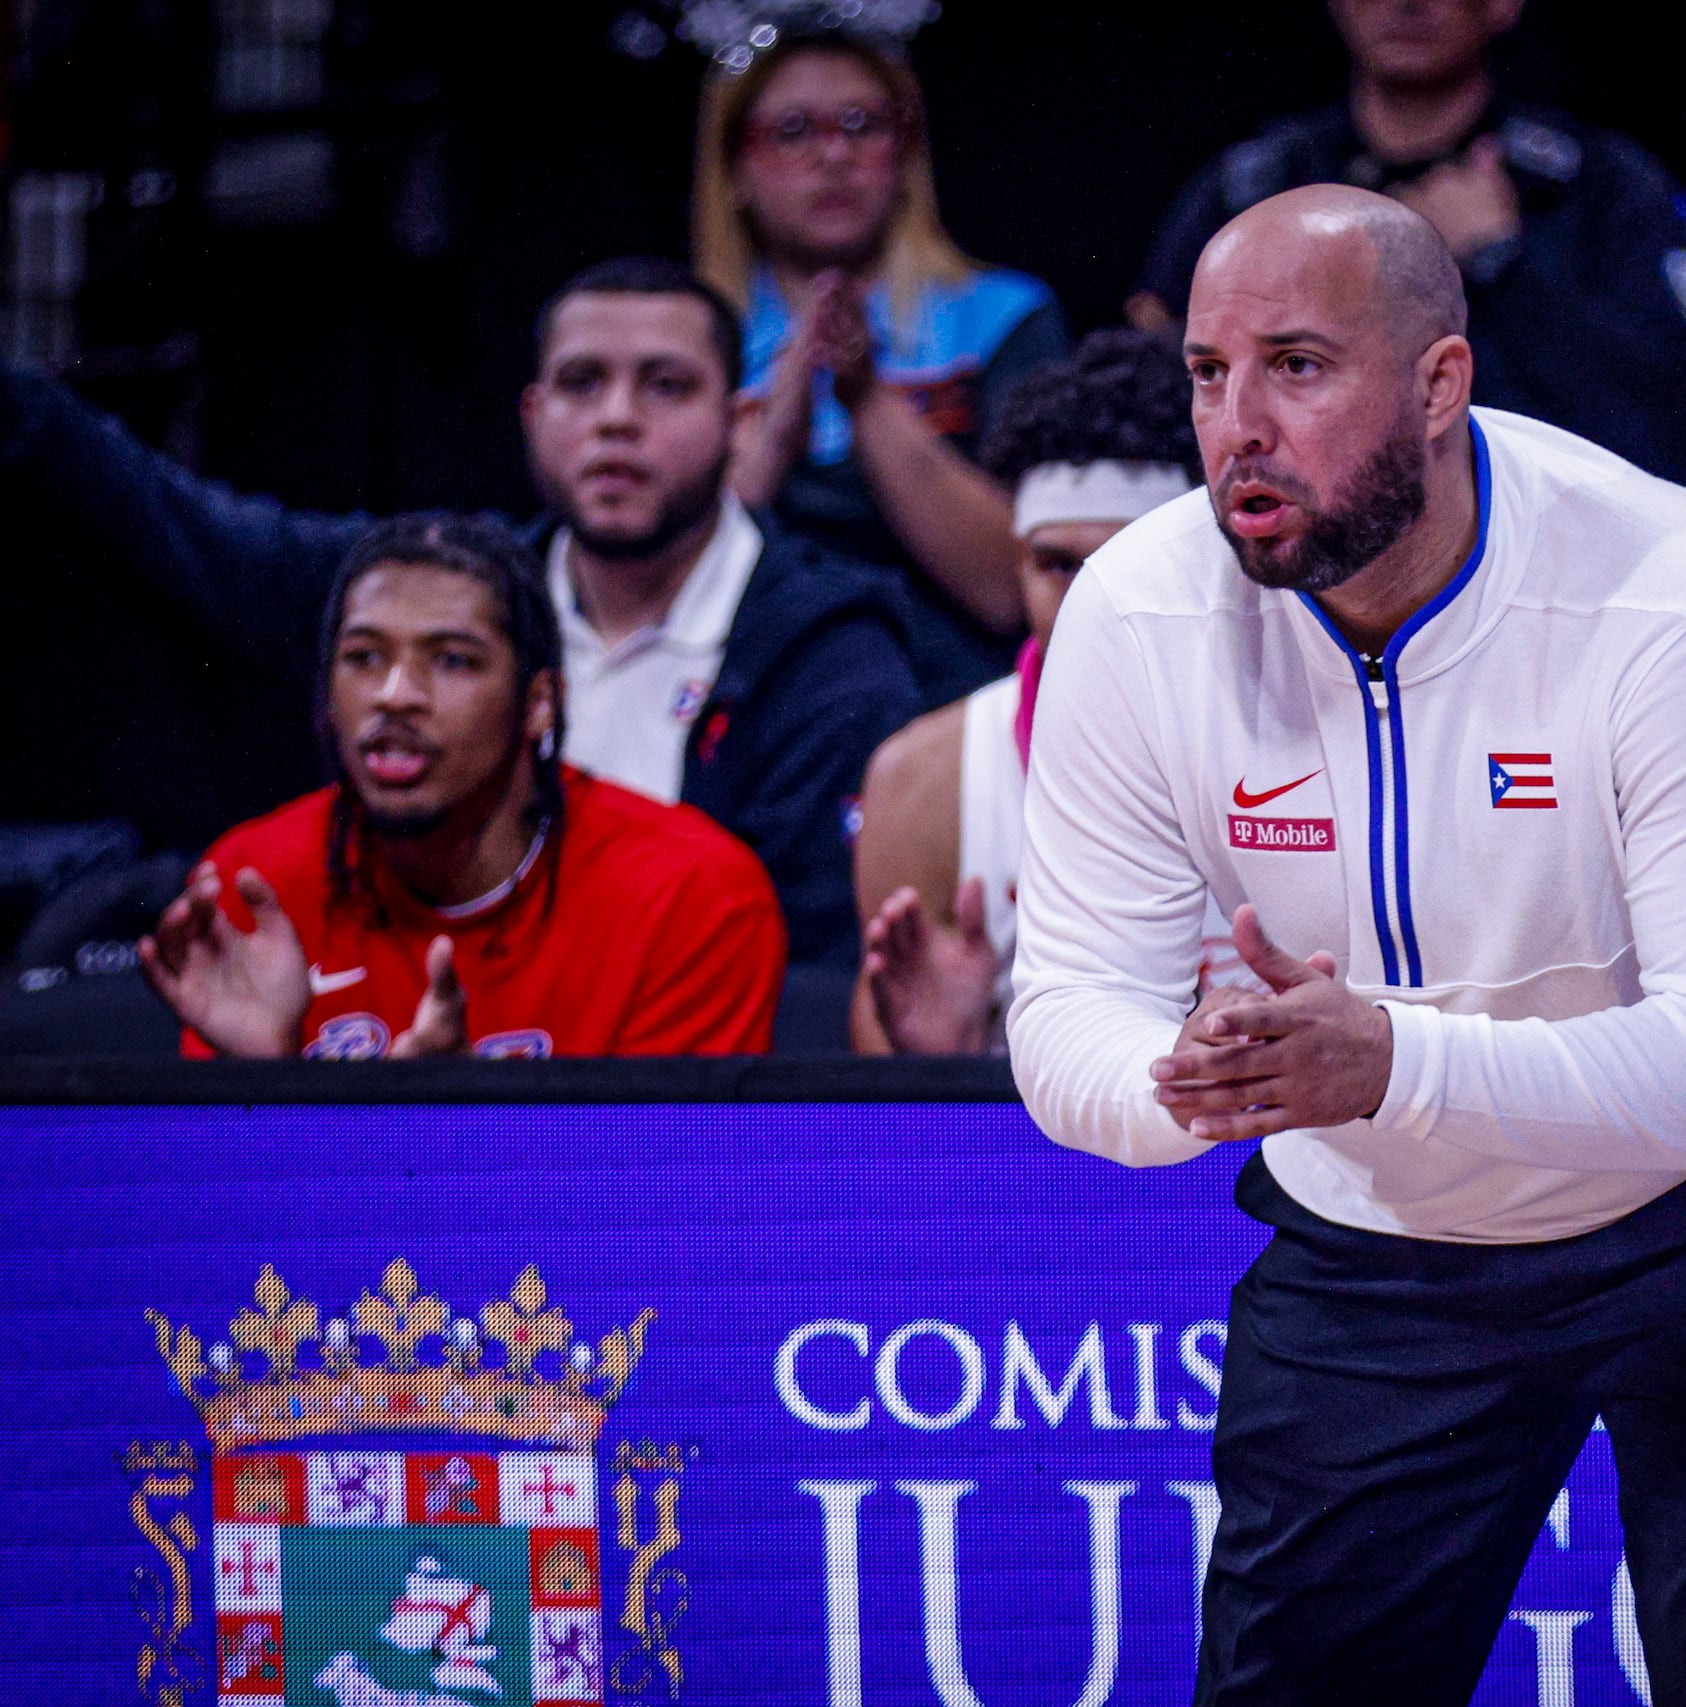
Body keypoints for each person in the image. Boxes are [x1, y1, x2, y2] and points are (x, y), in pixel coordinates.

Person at [1011, 186, 1686, 1704]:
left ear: (1441, 382)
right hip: (1394, 1215)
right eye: (1208, 375)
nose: (1238, 428)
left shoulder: (1678, 594)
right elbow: (1067, 1005)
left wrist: (1387, 1062)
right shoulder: (1137, 612)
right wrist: (1187, 1081)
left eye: (1296, 367)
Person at [0, 257, 919, 966]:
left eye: (666, 385)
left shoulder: (830, 650)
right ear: (532, 413)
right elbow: (197, 536)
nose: (617, 418)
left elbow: (811, 965)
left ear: (740, 421)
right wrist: (27, 413)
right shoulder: (446, 593)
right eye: (582, 382)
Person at [144, 515, 786, 1058]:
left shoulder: (691, 900)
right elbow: (224, 1174)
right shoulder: (256, 884)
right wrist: (265, 1081)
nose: (395, 695)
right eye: (364, 657)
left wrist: (456, 1125)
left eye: (452, 660)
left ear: (539, 704)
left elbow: (661, 1170)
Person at [1132, 0, 1686, 512]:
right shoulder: (1256, 185)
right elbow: (1151, 391)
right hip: (1301, 549)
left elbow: (1685, 412)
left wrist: (1503, 265)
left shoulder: (1600, 186)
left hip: (1562, 541)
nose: (1406, 3)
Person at [853, 328, 1227, 1054]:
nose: (1092, 599)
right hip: (1021, 1134)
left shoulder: (1317, 733)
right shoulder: (923, 778)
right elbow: (882, 1048)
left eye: (1127, 560)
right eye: (1058, 564)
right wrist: (938, 1058)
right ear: (1018, 566)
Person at [697, 24, 1072, 706]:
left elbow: (1011, 589)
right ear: (736, 167)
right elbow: (670, 590)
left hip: (964, 702)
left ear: (905, 153)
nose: (834, 154)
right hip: (754, 709)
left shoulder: (1002, 318)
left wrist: (866, 396)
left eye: (862, 125)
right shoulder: (691, 342)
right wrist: (773, 437)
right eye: (793, 130)